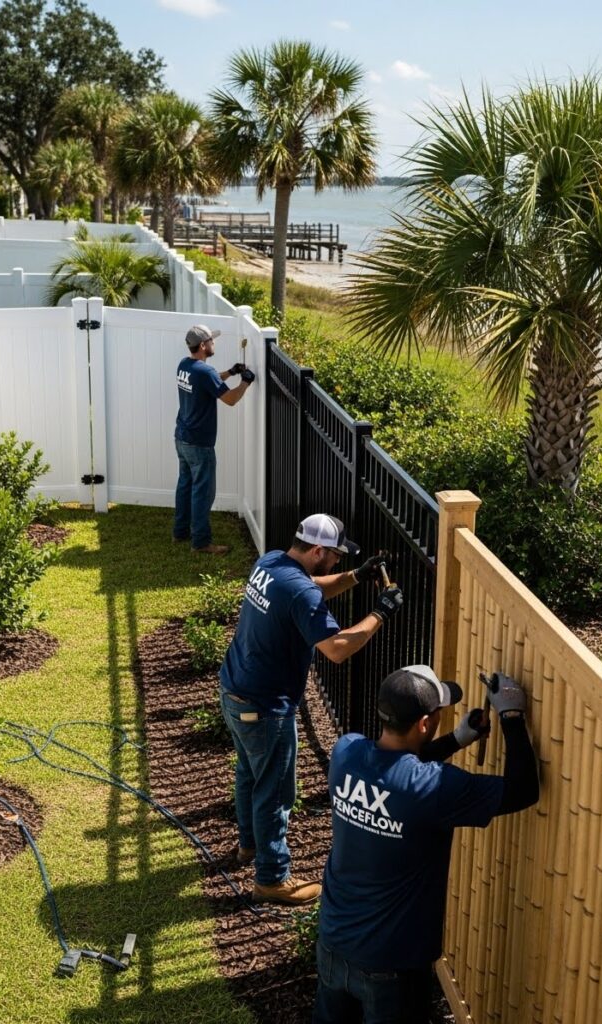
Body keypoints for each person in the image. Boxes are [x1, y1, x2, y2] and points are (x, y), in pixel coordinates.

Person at [313, 665, 540, 1024]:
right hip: (392, 967)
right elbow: (522, 790)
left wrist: (456, 739)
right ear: (423, 724)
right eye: (437, 714)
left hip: (333, 943)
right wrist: (511, 716)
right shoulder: (435, 789)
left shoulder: (346, 753)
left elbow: (396, 772)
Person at [219, 513, 404, 906]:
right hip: (266, 706)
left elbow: (309, 587)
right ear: (318, 550)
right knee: (275, 792)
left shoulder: (271, 562)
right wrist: (381, 613)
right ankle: (272, 879)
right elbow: (336, 649)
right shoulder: (299, 591)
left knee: (250, 773)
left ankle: (249, 846)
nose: (337, 560)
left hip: (235, 689)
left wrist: (356, 576)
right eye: (336, 555)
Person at [173, 323, 254, 554]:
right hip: (199, 443)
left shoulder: (184, 365)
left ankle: (180, 532)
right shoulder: (204, 372)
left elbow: (208, 381)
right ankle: (200, 543)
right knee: (202, 493)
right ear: (202, 345)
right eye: (211, 340)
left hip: (182, 438)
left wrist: (230, 372)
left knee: (185, 486)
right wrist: (246, 382)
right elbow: (230, 399)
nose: (214, 343)